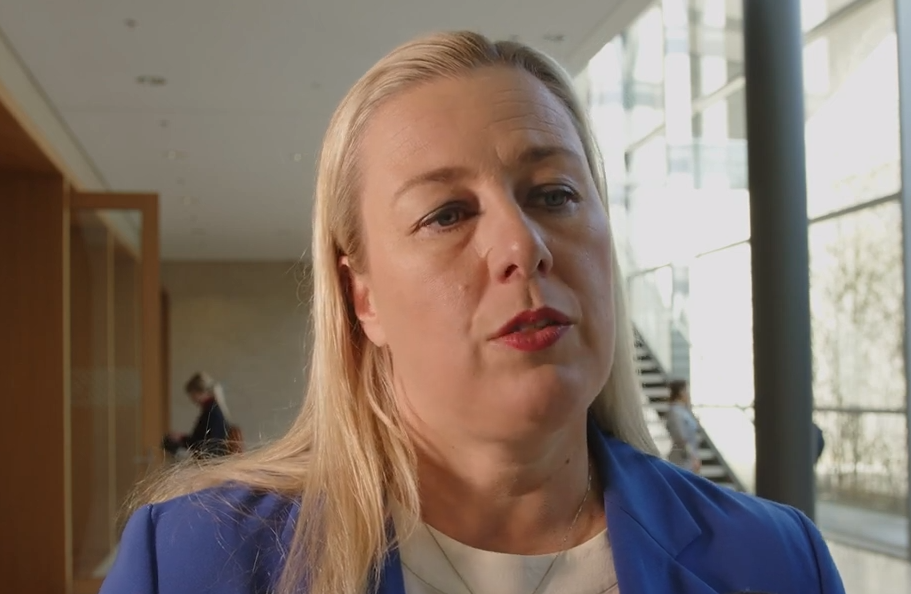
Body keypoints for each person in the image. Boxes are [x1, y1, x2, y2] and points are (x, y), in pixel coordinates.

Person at [101, 31, 845, 594]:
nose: (522, 246)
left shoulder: (777, 561)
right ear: (363, 297)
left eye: (553, 195)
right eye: (447, 214)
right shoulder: (196, 560)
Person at [162, 372, 233, 458]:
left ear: (199, 392)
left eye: (192, 394)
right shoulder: (212, 410)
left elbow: (206, 443)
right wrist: (182, 438)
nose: (192, 398)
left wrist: (182, 439)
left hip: (209, 460)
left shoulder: (212, 413)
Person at [665, 379, 702, 474]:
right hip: (681, 459)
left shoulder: (684, 410)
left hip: (689, 459)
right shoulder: (675, 412)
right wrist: (693, 457)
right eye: (687, 390)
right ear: (681, 392)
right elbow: (680, 437)